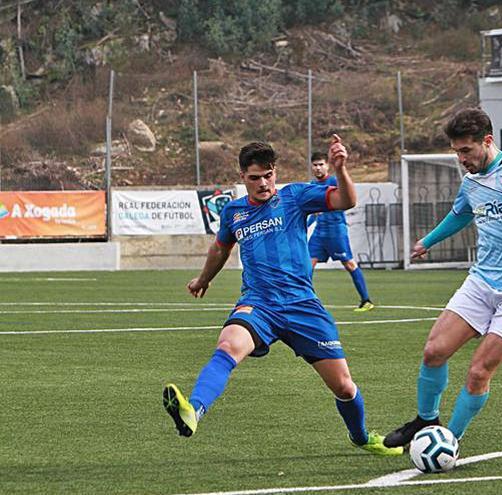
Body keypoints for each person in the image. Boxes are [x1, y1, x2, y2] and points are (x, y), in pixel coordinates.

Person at [162, 138, 402, 456]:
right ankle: (192, 411)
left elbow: (346, 201)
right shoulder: (234, 213)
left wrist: (341, 169)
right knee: (228, 345)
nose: (263, 183)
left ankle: (359, 436)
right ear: (242, 177)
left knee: (344, 386)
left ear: (275, 172)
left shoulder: (295, 197)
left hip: (302, 304)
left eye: (268, 175)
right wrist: (203, 279)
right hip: (259, 303)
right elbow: (221, 247)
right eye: (254, 178)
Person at [384, 108, 502, 448]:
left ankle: (448, 440)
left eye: (465, 151)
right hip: (481, 283)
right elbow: (460, 214)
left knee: (477, 373)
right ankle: (425, 421)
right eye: (456, 151)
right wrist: (426, 242)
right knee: (434, 351)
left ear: (487, 142)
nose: (461, 159)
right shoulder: (472, 181)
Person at [307, 152, 374, 312]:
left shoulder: (335, 182)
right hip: (319, 232)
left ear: (327, 165)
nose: (318, 168)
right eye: (315, 165)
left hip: (336, 231)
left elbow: (345, 201)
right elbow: (314, 212)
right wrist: (305, 225)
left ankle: (366, 300)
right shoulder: (311, 185)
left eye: (321, 164)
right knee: (306, 265)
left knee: (349, 264)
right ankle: (305, 303)